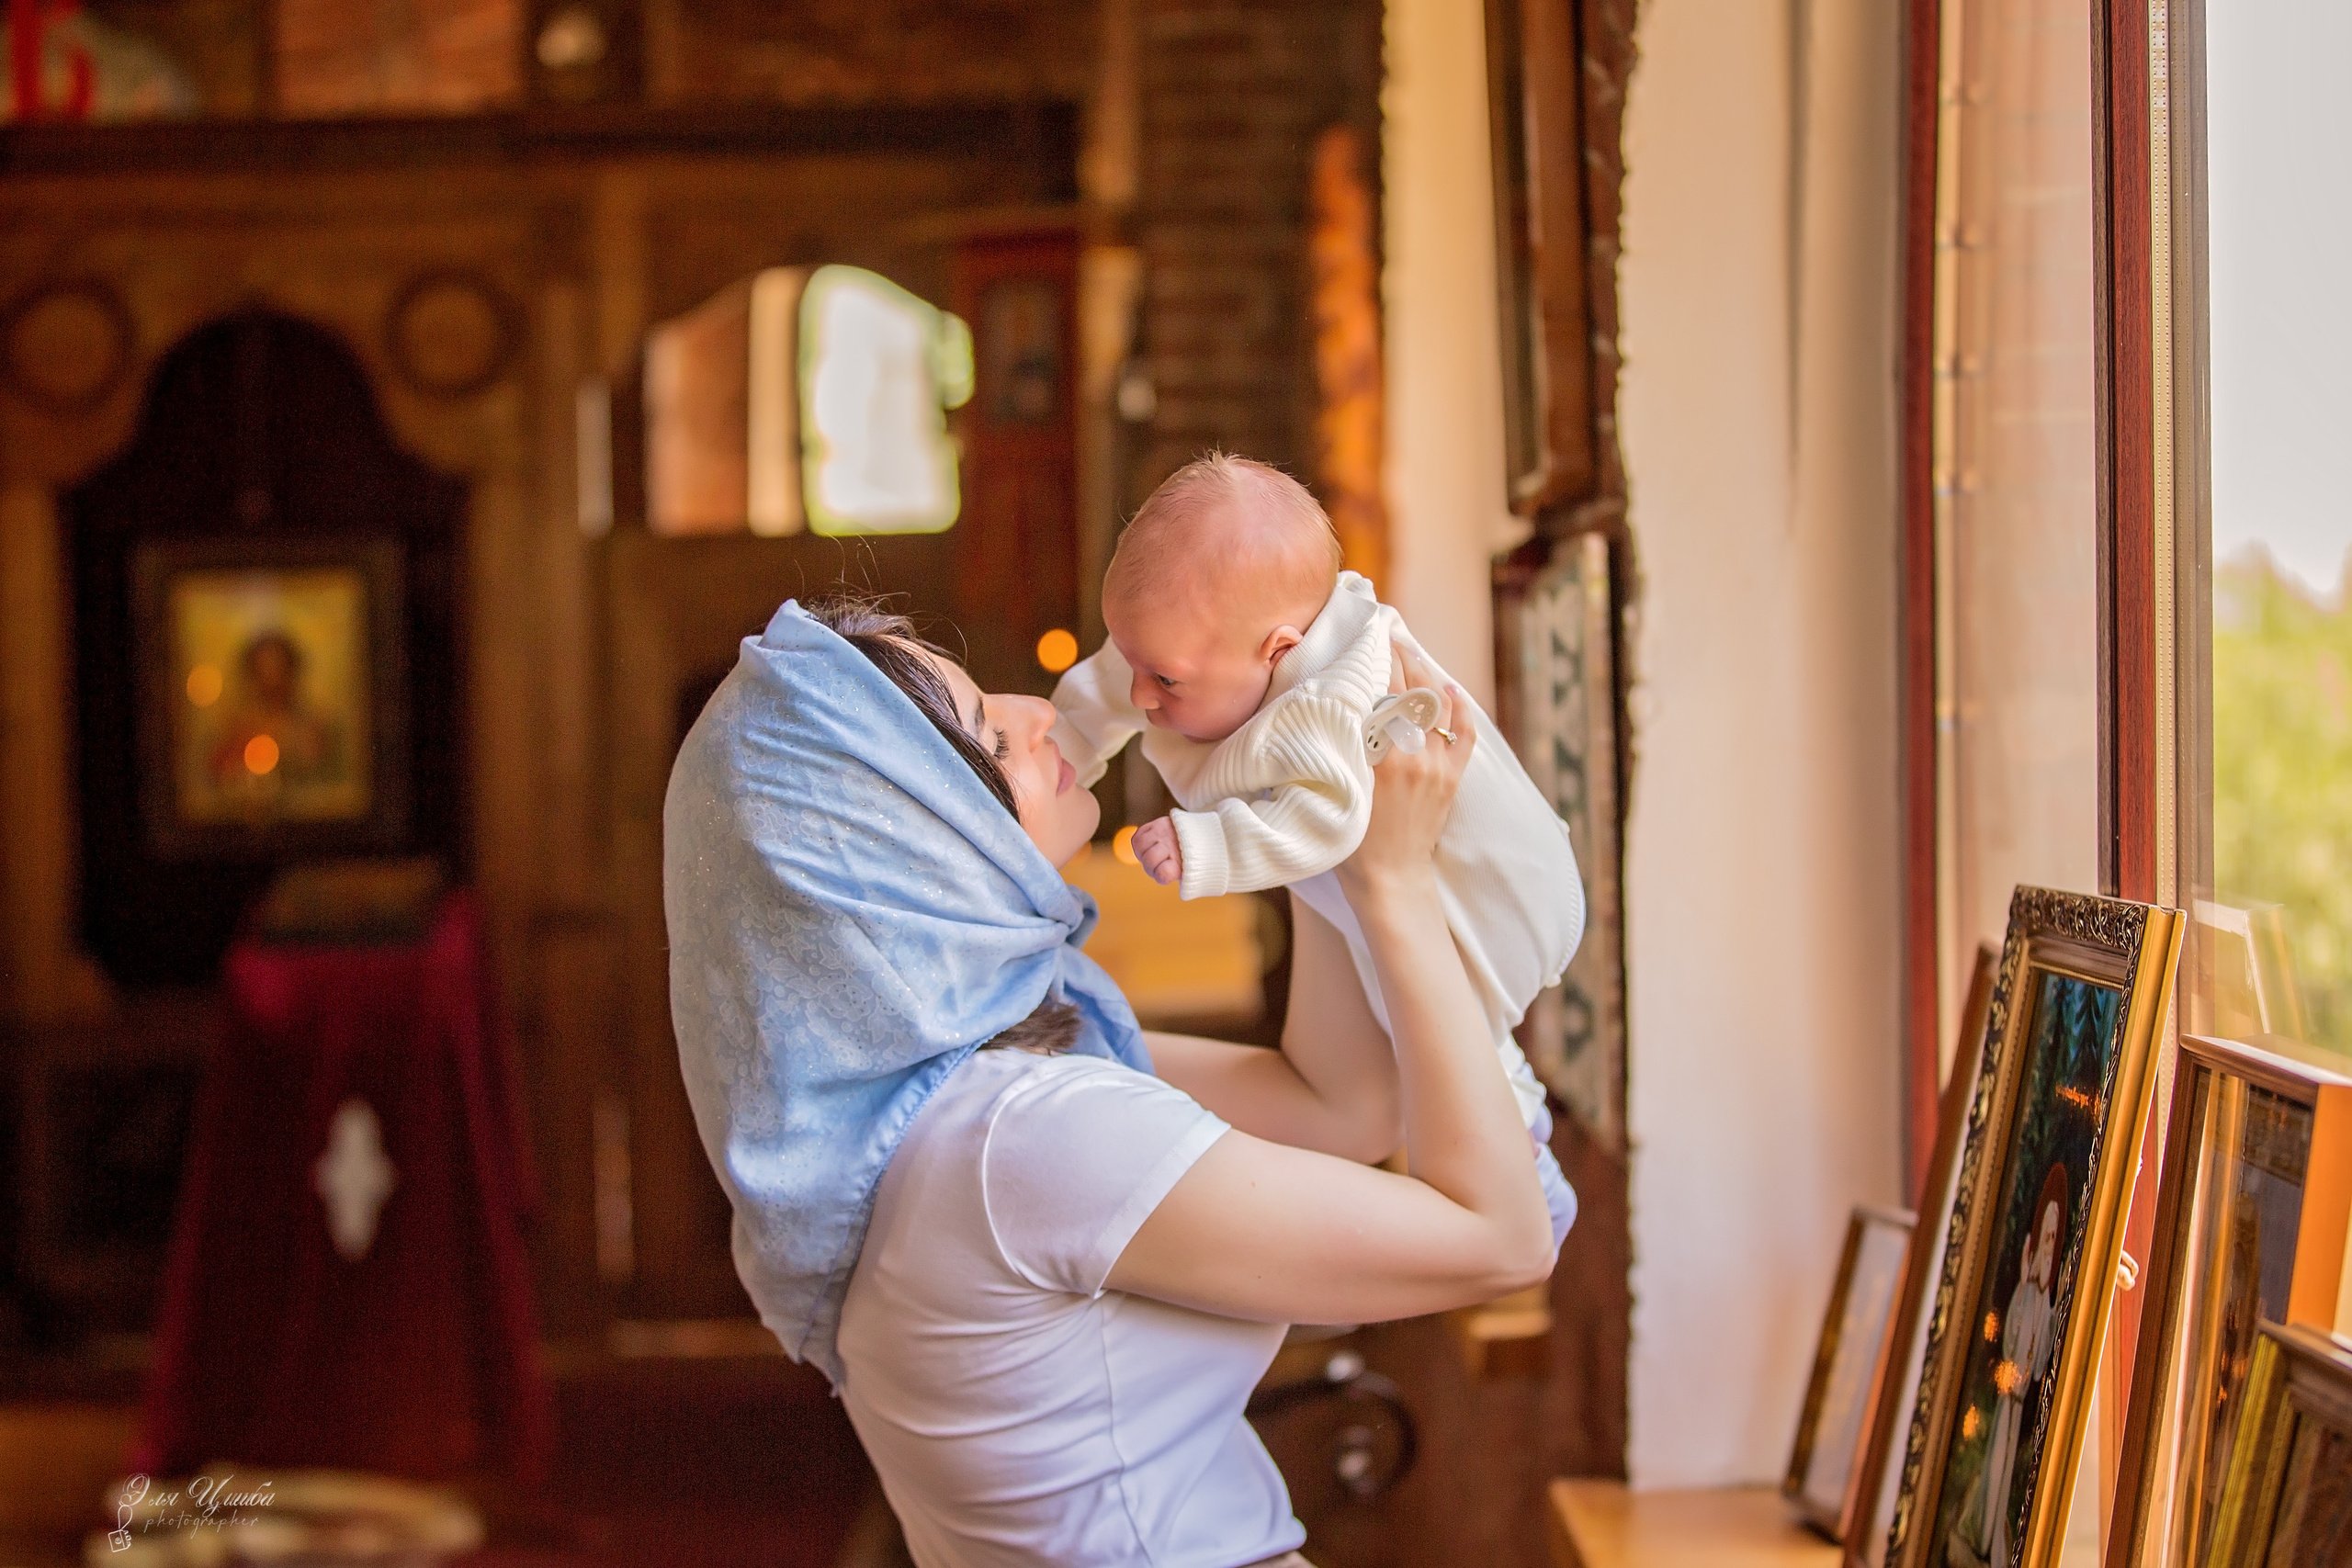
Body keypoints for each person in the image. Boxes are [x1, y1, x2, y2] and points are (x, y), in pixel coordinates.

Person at [666, 595, 1564, 1568]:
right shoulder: (1017, 1144)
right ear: (906, 846)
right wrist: (1392, 885)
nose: (1037, 712)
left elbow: (1337, 1106)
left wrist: (1309, 806)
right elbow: (1501, 1240)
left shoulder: (969, 1102)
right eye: (988, 738)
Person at [1050, 453, 1582, 1142]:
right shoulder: (1190, 640)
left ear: (1277, 651)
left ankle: (1516, 1124)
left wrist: (1204, 844)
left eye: (1166, 680)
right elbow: (1108, 686)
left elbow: (1330, 816)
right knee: (1388, 1039)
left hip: (1491, 897)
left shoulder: (1326, 697)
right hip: (1376, 893)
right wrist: (1061, 745)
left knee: (1449, 1031)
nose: (1142, 692)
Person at [1952, 1166, 2067, 1568]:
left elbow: (2039, 1370)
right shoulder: (2025, 1292)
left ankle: (1989, 1546)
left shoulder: (2044, 1299)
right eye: (2046, 1237)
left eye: (2055, 1238)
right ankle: (1981, 1539)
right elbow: (2009, 1344)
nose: (2050, 1245)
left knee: (2002, 1478)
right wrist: (2022, 1282)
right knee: (1994, 1462)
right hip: (2007, 1398)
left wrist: (2052, 1303)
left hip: (2020, 1402)